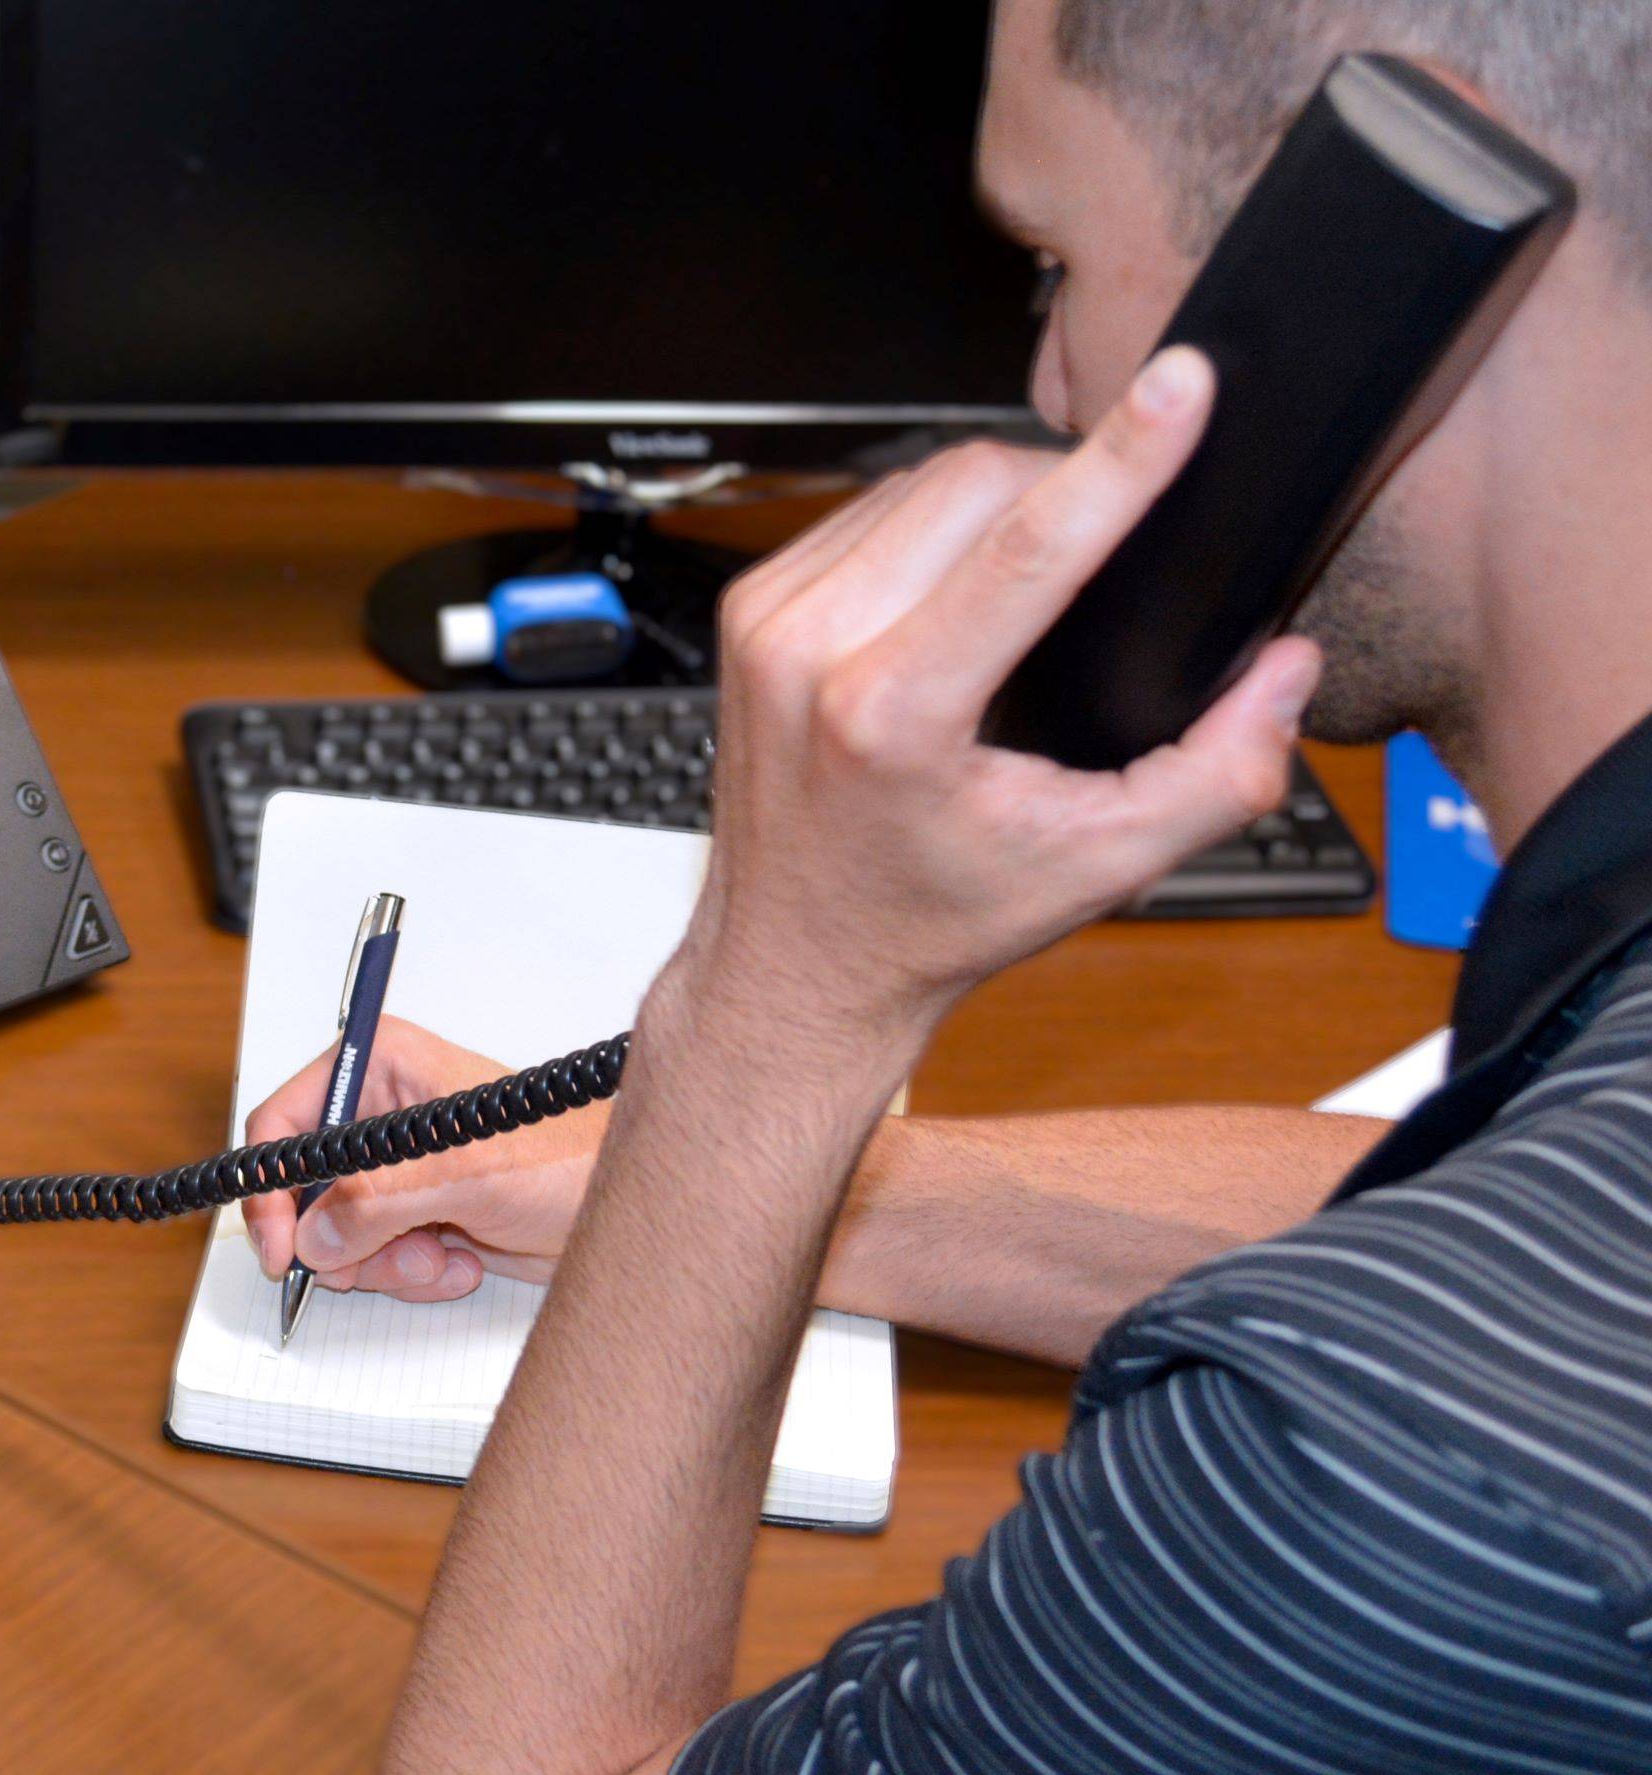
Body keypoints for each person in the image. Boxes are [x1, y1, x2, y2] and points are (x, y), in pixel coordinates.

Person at [243, 2, 1652, 1770]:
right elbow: (1479, 1224)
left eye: (1059, 263)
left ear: (1396, 238)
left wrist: (775, 1014)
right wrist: (790, 1194)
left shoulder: (1398, 1506)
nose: (1054, 383)